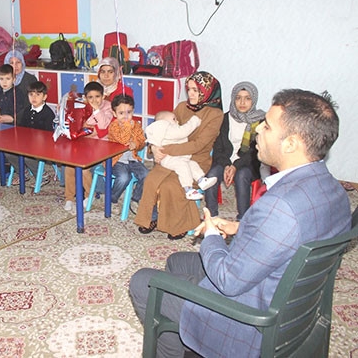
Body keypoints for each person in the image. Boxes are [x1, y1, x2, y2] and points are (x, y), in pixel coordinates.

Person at [128, 89, 351, 358]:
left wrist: (212, 234)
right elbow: (292, 235)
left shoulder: (279, 207)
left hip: (249, 320)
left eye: (267, 126)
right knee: (177, 263)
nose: (258, 131)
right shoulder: (334, 190)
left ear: (291, 143)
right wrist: (240, 227)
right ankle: (190, 346)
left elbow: (228, 281)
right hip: (287, 300)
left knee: (144, 282)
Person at [134, 71, 223, 239]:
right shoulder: (183, 107)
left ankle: (178, 224)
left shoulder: (215, 114)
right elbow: (164, 127)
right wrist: (154, 146)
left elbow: (198, 145)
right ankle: (152, 217)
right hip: (170, 158)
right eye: (189, 89)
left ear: (207, 92)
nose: (190, 94)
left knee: (171, 186)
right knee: (151, 180)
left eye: (196, 90)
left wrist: (164, 150)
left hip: (195, 160)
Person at [204, 81, 266, 220]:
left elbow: (254, 151)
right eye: (238, 98)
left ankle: (242, 219)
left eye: (247, 98)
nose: (242, 102)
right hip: (225, 160)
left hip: (248, 163)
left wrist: (235, 166)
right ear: (233, 99)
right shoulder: (225, 118)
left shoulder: (259, 121)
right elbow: (218, 147)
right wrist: (227, 165)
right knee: (212, 174)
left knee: (241, 175)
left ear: (254, 100)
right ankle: (211, 217)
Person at [63, 82, 114, 212]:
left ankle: (89, 195)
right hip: (84, 143)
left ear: (103, 96)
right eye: (90, 97)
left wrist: (96, 110)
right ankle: (69, 198)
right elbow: (80, 125)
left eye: (97, 96)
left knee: (84, 168)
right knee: (69, 166)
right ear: (85, 98)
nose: (94, 100)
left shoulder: (108, 107)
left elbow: (103, 126)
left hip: (101, 146)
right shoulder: (82, 106)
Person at [146, 110, 217, 200]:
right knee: (183, 167)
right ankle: (188, 189)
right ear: (163, 121)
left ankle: (201, 179)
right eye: (174, 119)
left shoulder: (166, 129)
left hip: (178, 157)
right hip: (168, 159)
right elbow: (183, 132)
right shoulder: (165, 127)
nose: (177, 121)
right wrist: (194, 121)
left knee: (192, 164)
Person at [5, 81, 55, 185]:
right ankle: (23, 172)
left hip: (43, 144)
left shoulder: (48, 113)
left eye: (38, 94)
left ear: (44, 97)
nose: (34, 97)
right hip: (27, 142)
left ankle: (43, 176)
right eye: (31, 94)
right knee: (9, 152)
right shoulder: (27, 110)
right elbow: (22, 128)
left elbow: (49, 134)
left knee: (28, 157)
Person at [107, 94, 149, 210]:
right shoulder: (114, 126)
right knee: (124, 177)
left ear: (133, 111)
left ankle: (136, 198)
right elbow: (123, 139)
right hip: (116, 160)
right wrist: (127, 126)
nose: (125, 116)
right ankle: (112, 199)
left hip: (132, 159)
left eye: (129, 112)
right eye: (121, 113)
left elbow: (142, 141)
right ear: (114, 114)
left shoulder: (136, 125)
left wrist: (136, 144)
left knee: (146, 174)